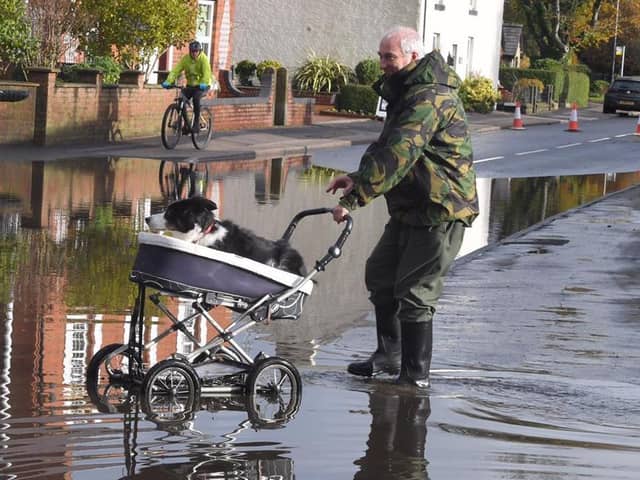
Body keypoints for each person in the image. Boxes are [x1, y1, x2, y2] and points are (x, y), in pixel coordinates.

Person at [326, 26, 479, 388]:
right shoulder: (409, 92)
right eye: (381, 56)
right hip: (413, 207)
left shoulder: (429, 98)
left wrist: (353, 199)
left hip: (441, 209)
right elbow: (387, 147)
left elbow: (399, 154)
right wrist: (356, 176)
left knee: (415, 293)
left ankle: (414, 376)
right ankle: (388, 355)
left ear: (412, 56)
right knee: (380, 274)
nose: (382, 64)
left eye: (389, 57)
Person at [162, 40, 213, 133]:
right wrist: (168, 81)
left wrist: (204, 83)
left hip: (203, 85)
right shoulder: (186, 59)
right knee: (181, 99)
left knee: (196, 98)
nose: (194, 53)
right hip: (191, 85)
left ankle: (196, 124)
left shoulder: (203, 59)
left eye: (196, 51)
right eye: (192, 51)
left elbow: (207, 73)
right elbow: (175, 71)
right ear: (189, 51)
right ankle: (187, 125)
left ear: (200, 51)